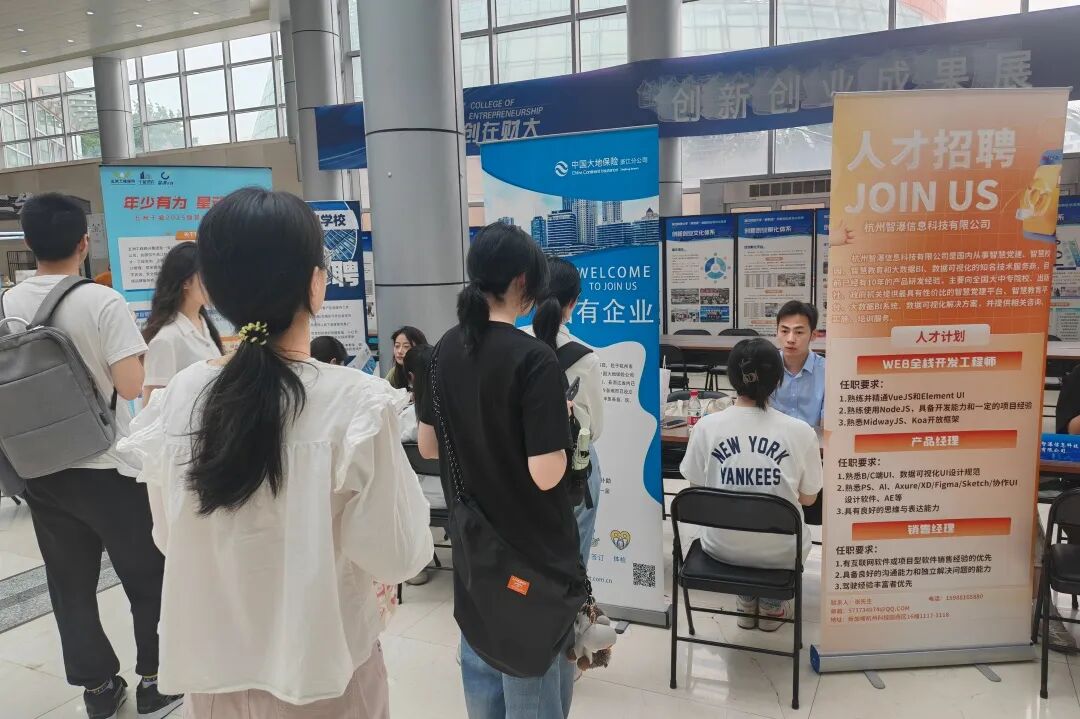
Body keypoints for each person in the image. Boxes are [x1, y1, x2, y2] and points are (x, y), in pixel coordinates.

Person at [118, 188, 433, 718]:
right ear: (315, 283)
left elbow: (168, 536)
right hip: (326, 676)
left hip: (214, 679)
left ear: (214, 289)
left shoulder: (180, 398)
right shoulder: (354, 402)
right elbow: (396, 554)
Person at [1, 193, 179, 719]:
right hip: (109, 466)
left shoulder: (6, 304)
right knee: (146, 575)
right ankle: (156, 680)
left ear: (28, 242)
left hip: (40, 467)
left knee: (69, 586)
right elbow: (130, 386)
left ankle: (99, 689)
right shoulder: (102, 302)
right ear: (84, 243)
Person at [417, 222, 580, 719]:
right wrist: (562, 426)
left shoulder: (440, 351)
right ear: (521, 282)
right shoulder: (535, 358)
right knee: (532, 669)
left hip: (472, 541)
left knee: (480, 654)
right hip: (531, 549)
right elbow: (547, 473)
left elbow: (428, 446)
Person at [680, 337, 822, 631]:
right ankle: (771, 604)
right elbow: (809, 499)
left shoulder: (705, 427)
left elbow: (697, 487)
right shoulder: (801, 432)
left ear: (731, 378)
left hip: (720, 547)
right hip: (782, 553)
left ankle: (746, 600)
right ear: (778, 380)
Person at [529, 256, 604, 568]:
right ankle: (573, 598)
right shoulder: (585, 358)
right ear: (573, 301)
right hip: (574, 466)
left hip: (519, 462)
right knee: (574, 553)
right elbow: (594, 429)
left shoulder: (511, 345)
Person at [142, 242, 223, 402]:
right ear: (185, 282)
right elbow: (152, 406)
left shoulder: (204, 326)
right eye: (206, 275)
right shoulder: (166, 338)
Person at [397, 343, 442, 587]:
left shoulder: (406, 417)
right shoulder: (456, 409)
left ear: (411, 377)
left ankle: (416, 565)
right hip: (460, 496)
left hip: (420, 498)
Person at [770, 300, 825, 428]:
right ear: (777, 332)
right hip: (772, 439)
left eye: (799, 332)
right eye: (784, 331)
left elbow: (827, 426)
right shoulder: (765, 367)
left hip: (813, 439)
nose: (790, 339)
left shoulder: (828, 371)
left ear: (813, 335)